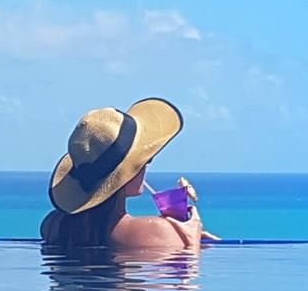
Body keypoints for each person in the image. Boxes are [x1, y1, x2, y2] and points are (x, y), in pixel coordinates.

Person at [40, 97, 217, 249]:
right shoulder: (157, 231)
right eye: (145, 159)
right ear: (124, 175)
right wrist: (191, 240)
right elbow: (183, 286)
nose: (146, 166)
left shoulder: (52, 226)